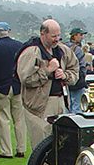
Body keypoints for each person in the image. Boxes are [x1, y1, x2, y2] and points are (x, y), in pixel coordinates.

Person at [15, 19, 78, 148]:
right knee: (42, 147)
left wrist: (65, 75)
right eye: (53, 36)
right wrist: (48, 70)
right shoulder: (31, 51)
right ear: (43, 33)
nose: (57, 39)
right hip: (39, 106)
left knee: (61, 146)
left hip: (61, 102)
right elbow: (26, 79)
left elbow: (75, 71)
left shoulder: (63, 50)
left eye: (59, 35)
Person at [0, 21, 27, 158]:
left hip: (0, 87)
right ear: (8, 31)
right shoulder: (19, 46)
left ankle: (6, 150)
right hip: (17, 86)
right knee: (19, 119)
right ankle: (21, 148)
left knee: (3, 119)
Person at [67, 27, 88, 114]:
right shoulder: (78, 50)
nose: (82, 37)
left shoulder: (64, 47)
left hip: (67, 79)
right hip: (78, 81)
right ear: (74, 36)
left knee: (69, 105)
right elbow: (82, 66)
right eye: (81, 35)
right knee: (78, 106)